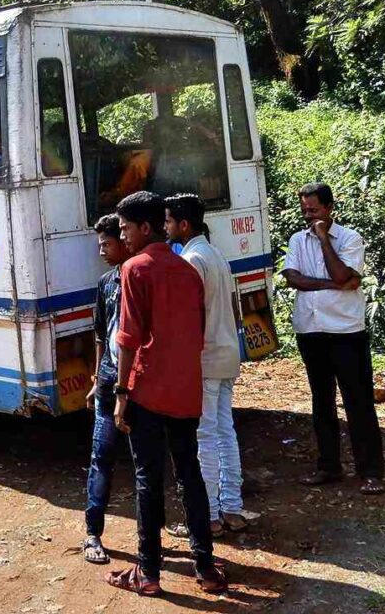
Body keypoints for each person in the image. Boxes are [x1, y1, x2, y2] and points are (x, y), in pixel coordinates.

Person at [106, 190, 227, 597]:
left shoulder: (134, 269)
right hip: (186, 390)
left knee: (148, 479)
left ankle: (149, 573)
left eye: (125, 229)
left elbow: (128, 338)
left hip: (148, 391)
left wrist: (122, 392)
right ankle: (206, 569)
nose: (123, 238)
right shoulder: (187, 270)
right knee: (188, 474)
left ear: (145, 227)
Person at [281, 182, 384, 495]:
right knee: (321, 401)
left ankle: (371, 472)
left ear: (329, 208)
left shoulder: (350, 239)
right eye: (305, 211)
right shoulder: (298, 239)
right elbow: (293, 278)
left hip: (345, 331)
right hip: (311, 330)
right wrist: (334, 284)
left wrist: (325, 239)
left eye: (313, 210)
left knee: (358, 401)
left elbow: (343, 275)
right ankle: (329, 466)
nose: (308, 216)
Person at [165, 193, 246, 537]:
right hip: (227, 355)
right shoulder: (217, 255)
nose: (165, 227)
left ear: (184, 225)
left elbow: (189, 320)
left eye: (168, 221)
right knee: (225, 432)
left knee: (205, 437)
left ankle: (209, 515)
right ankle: (232, 507)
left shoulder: (192, 260)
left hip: (206, 360)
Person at [82, 213, 130, 565]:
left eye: (107, 243)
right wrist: (98, 378)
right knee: (101, 457)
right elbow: (100, 333)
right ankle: (92, 533)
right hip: (110, 382)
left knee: (147, 461)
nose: (102, 250)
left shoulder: (139, 278)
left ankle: (151, 536)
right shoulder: (105, 283)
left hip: (137, 386)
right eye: (99, 244)